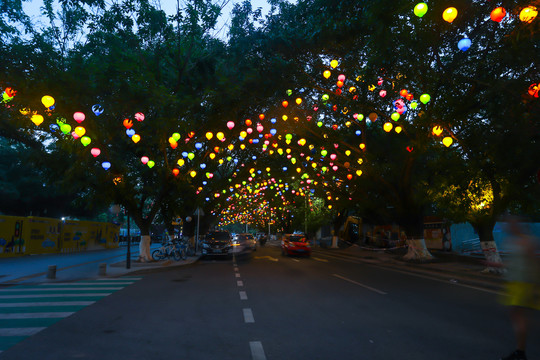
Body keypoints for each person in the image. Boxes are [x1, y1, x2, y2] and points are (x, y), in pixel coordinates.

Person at [500, 217, 540, 360]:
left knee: (519, 318)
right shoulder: (513, 241)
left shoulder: (527, 241)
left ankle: (520, 352)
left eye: (512, 224)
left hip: (523, 284)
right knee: (517, 317)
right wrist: (495, 264)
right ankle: (520, 350)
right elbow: (513, 263)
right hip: (515, 284)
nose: (509, 227)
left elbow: (535, 263)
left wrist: (535, 286)